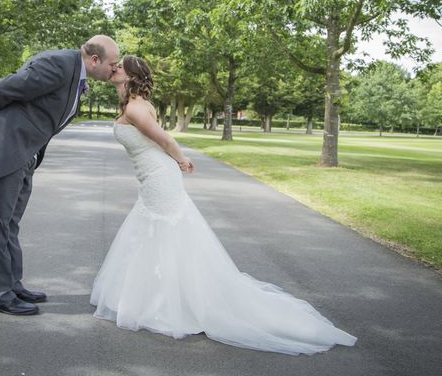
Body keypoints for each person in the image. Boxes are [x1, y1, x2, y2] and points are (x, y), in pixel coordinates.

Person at [90, 55, 357, 355]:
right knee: (153, 233)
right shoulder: (131, 104)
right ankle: (155, 297)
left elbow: (165, 140)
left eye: (119, 67)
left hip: (159, 177)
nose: (113, 69)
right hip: (151, 176)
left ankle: (174, 303)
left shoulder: (137, 108)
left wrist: (181, 159)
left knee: (165, 233)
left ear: (132, 76)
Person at [0, 35, 120, 316]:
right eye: (113, 63)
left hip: (25, 153)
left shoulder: (75, 72)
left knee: (11, 222)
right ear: (95, 60)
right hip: (7, 149)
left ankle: (13, 285)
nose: (115, 68)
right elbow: (7, 87)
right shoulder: (59, 64)